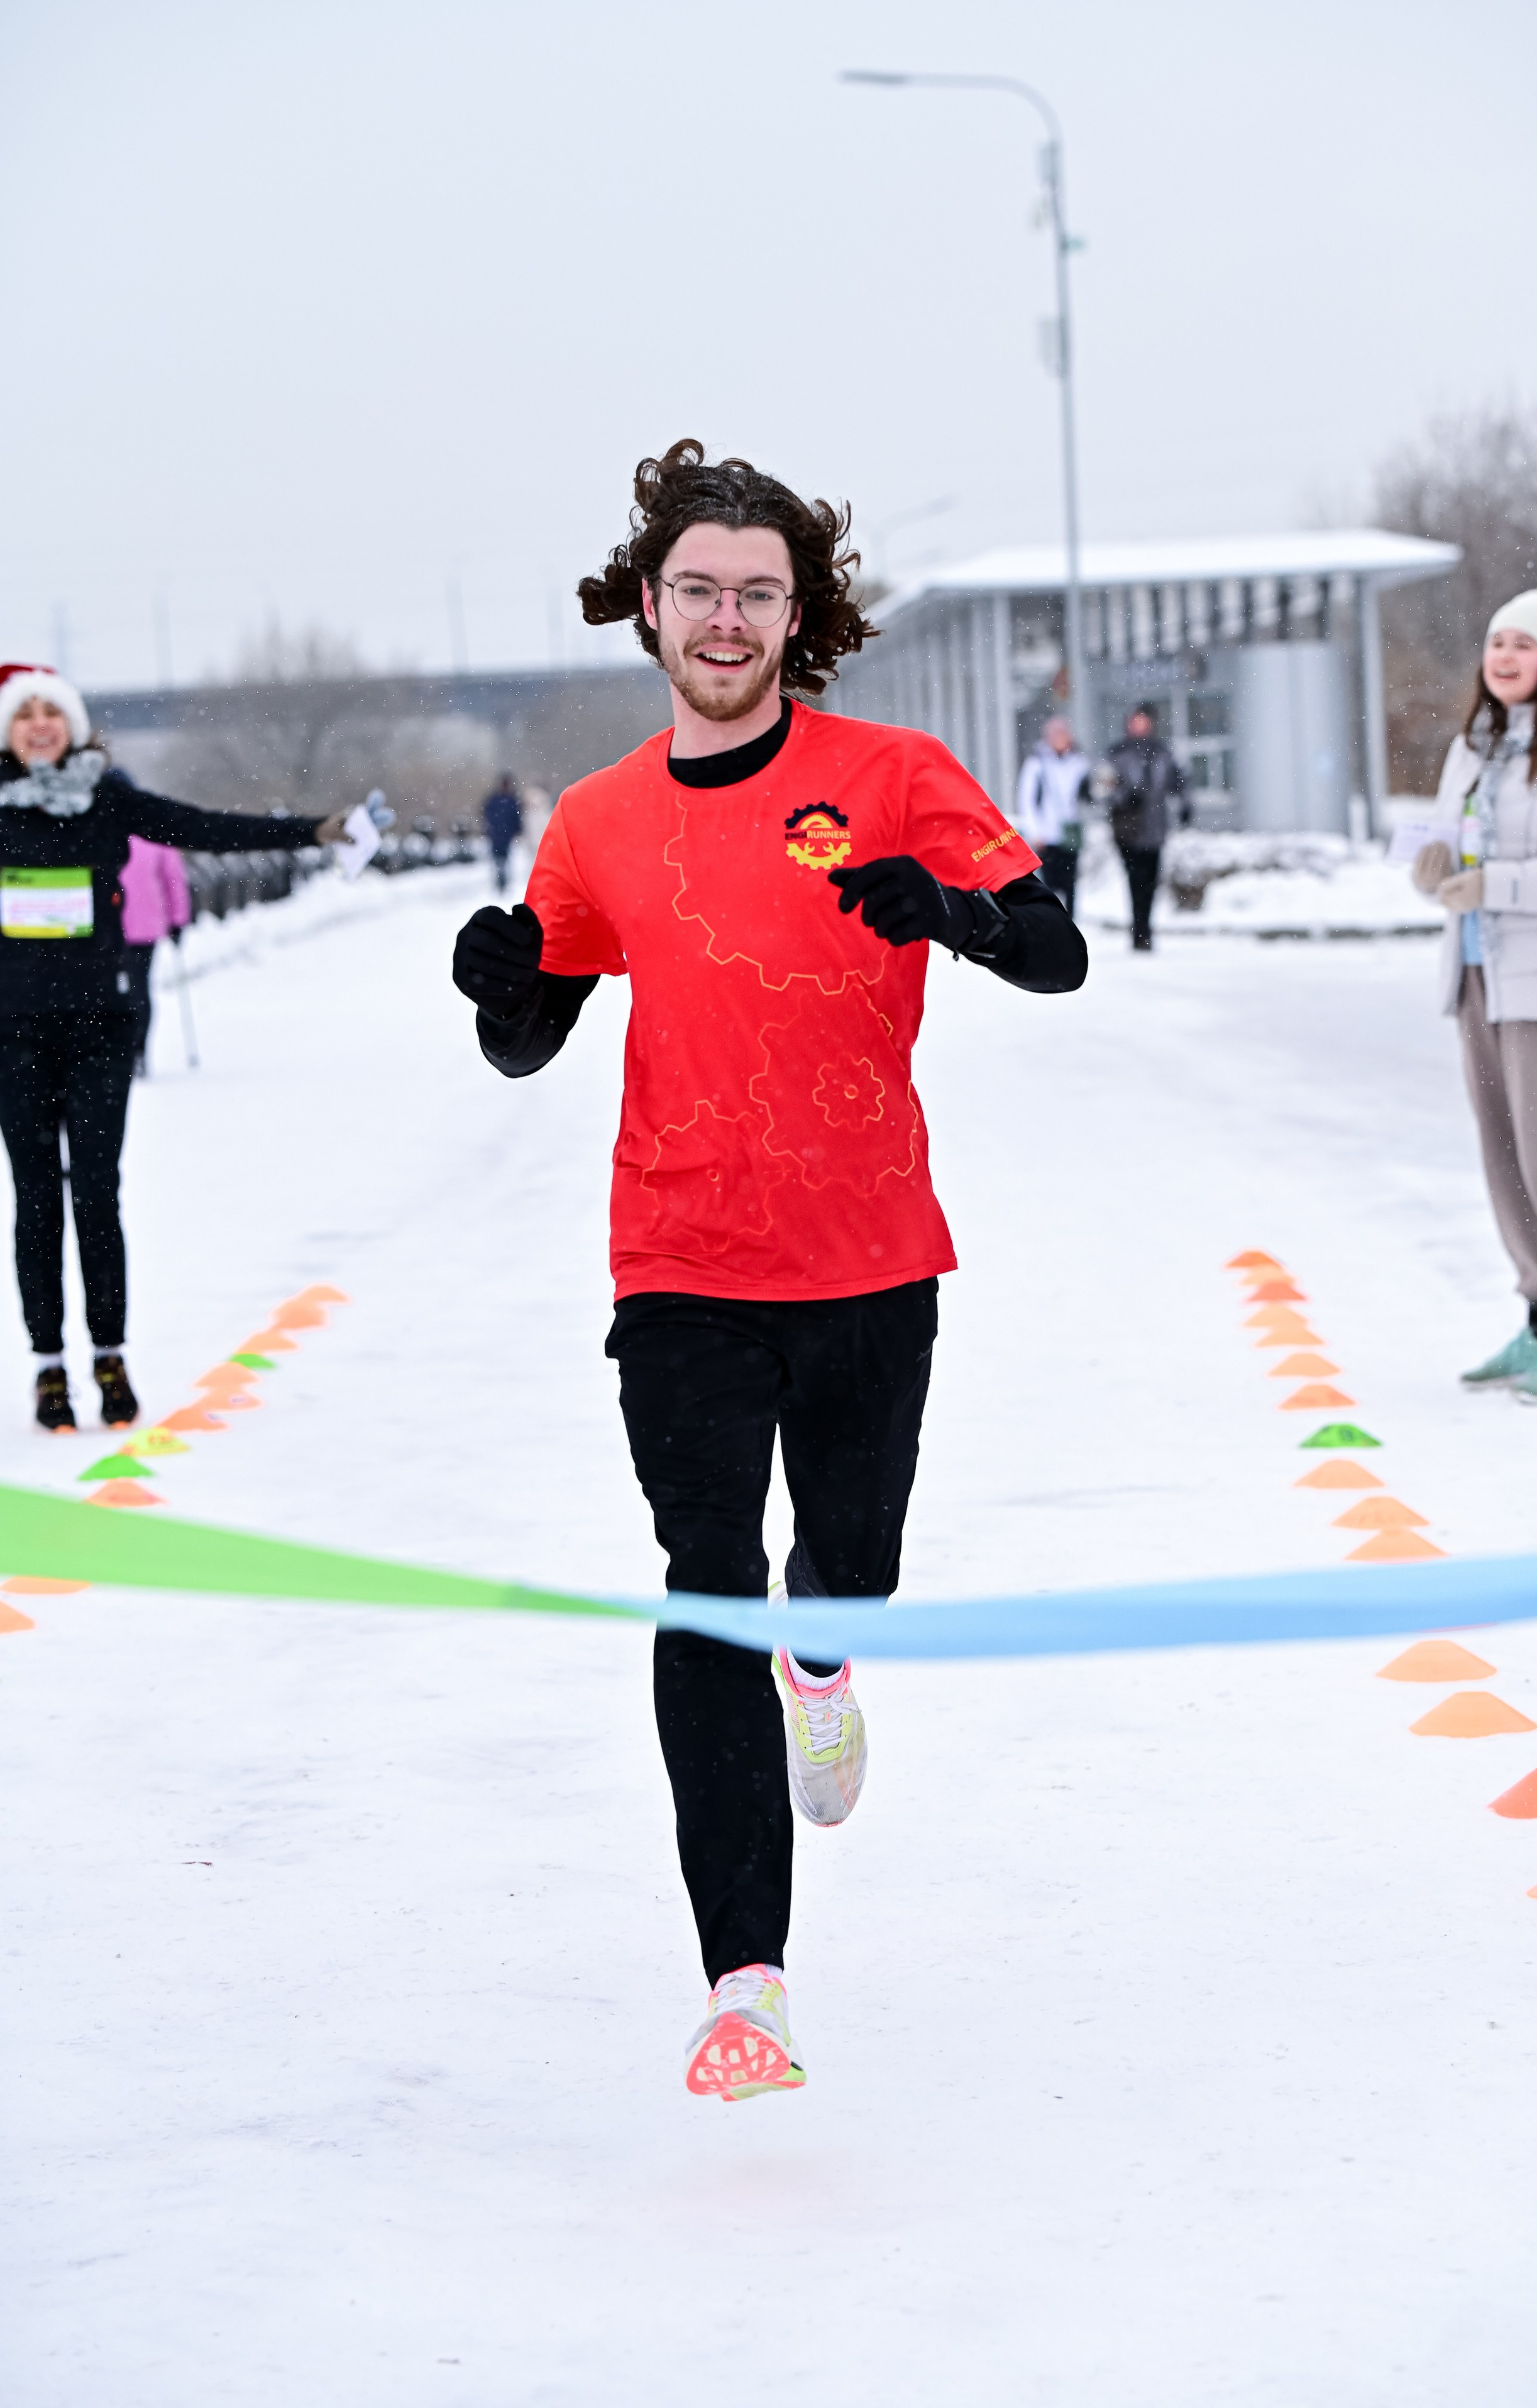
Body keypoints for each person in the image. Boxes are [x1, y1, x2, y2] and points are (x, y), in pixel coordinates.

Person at [451, 440, 1087, 2098]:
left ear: (796, 612)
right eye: (698, 591)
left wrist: (945, 909)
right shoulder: (595, 821)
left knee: (844, 1572)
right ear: (648, 608)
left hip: (870, 1254)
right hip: (680, 1260)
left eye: (758, 592)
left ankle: (831, 1651)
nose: (725, 619)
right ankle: (748, 1984)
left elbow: (1060, 953)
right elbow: (532, 1043)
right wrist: (498, 985)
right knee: (704, 1583)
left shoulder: (892, 772)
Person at [0, 662, 348, 1432]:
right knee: (36, 1199)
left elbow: (205, 827)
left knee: (96, 1193)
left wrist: (309, 829)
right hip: (13, 1028)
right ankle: (49, 1367)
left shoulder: (109, 801)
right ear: (3, 733)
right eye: (24, 714)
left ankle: (109, 1355)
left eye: (52, 711)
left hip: (98, 1026)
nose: (39, 723)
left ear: (73, 726)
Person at [1411, 589, 1537, 1404]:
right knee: (1504, 1153)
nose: (1505, 658)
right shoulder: (1473, 747)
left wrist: (1493, 886)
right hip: (1477, 972)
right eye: (1495, 643)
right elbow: (1440, 840)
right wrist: (1430, 867)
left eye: (1525, 644)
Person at [1101, 704, 1190, 952]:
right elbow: (1103, 788)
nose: (1140, 725)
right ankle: (1139, 929)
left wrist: (1185, 805)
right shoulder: (1117, 754)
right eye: (1135, 721)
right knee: (1135, 878)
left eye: (1144, 721)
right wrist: (1123, 798)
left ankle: (1145, 929)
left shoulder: (1162, 752)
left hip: (1155, 827)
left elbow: (1179, 781)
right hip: (1128, 828)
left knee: (1150, 880)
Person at [118, 836, 192, 1073]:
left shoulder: (107, 827)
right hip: (144, 925)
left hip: (107, 926)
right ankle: (137, 1049)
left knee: (112, 991)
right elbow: (174, 880)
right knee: (139, 988)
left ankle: (119, 1049)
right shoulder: (156, 833)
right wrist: (177, 921)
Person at [1013, 714, 1090, 918]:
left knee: (1071, 884)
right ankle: (1052, 921)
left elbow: (1087, 796)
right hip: (1047, 836)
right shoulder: (1037, 764)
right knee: (1050, 885)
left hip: (1070, 833)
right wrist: (1035, 832)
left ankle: (1071, 924)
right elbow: (1027, 801)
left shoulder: (1079, 763)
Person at [482, 772, 523, 891]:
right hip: (497, 834)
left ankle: (503, 881)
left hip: (504, 835)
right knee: (498, 860)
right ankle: (500, 881)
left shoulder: (510, 800)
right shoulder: (497, 800)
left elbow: (516, 817)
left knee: (504, 859)